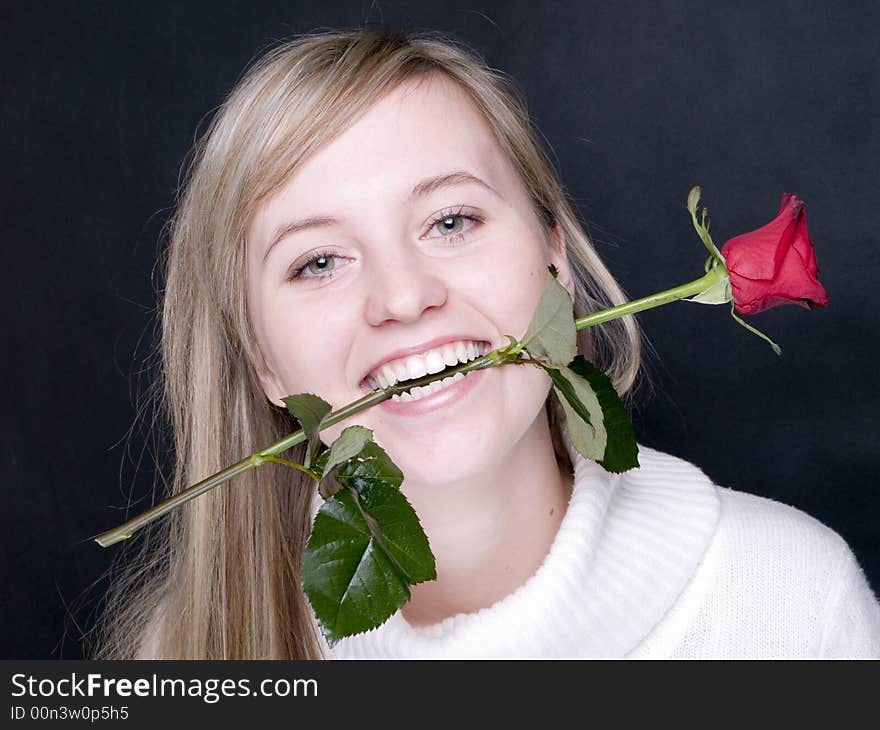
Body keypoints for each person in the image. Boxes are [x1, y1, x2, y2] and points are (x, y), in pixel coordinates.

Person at [92, 27, 880, 660]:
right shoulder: (189, 655)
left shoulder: (788, 603)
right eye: (319, 262)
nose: (403, 297)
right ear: (261, 359)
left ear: (555, 262)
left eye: (450, 221)